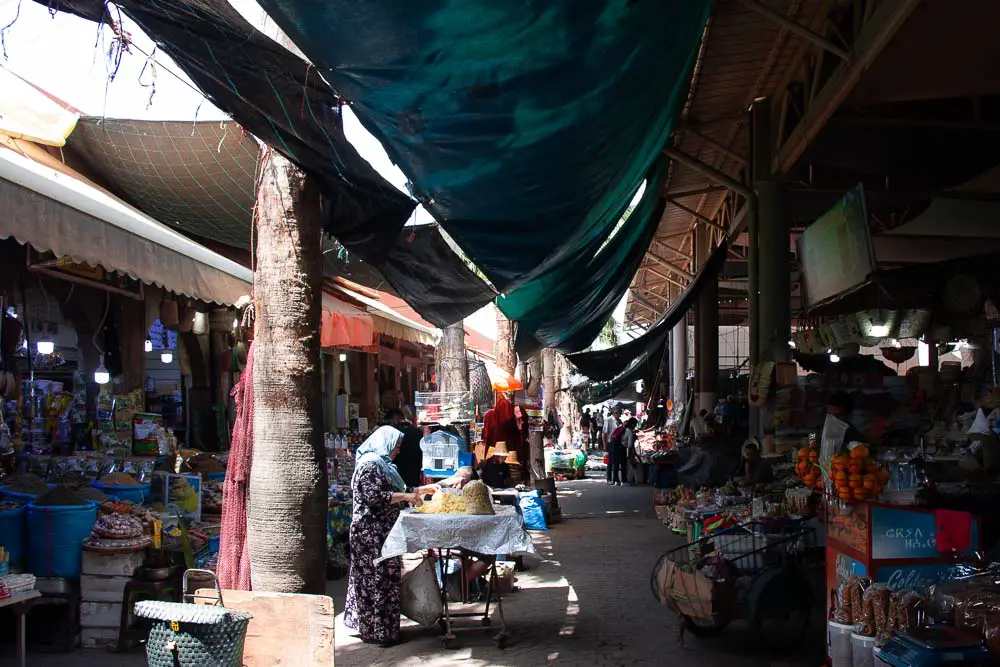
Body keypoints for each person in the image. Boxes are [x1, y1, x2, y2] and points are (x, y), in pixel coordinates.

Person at [344, 427, 436, 647]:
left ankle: (381, 629)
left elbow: (397, 490)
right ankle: (378, 631)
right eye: (396, 446)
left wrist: (423, 490)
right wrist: (407, 496)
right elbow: (375, 496)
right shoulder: (370, 465)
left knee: (384, 579)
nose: (397, 451)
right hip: (371, 535)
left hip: (382, 533)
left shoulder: (383, 466)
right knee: (377, 581)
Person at [602, 407, 622, 483]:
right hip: (610, 442)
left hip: (617, 442)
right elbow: (604, 433)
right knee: (610, 461)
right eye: (616, 413)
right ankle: (609, 478)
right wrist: (604, 444)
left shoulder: (619, 421)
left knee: (616, 461)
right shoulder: (608, 420)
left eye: (619, 413)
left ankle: (616, 478)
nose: (618, 415)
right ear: (613, 413)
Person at [621, 417, 639, 485]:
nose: (635, 426)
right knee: (627, 466)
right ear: (633, 424)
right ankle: (627, 480)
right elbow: (629, 445)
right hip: (625, 449)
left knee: (625, 465)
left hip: (621, 448)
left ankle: (626, 479)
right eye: (635, 424)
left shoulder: (626, 429)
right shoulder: (630, 432)